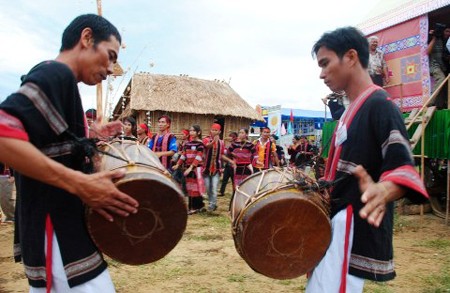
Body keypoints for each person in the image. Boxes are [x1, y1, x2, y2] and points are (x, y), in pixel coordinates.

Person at [0, 14, 139, 292]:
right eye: (110, 56)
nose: (111, 68)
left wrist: (89, 138)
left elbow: (49, 145)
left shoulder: (62, 82)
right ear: (86, 39)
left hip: (59, 230)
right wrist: (80, 183)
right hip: (57, 233)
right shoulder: (56, 73)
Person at [308, 26, 428, 292]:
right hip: (337, 224)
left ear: (350, 57)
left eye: (326, 63)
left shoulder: (380, 105)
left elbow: (403, 166)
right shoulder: (350, 110)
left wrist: (384, 189)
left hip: (351, 225)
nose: (321, 74)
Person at [173, 125, 205, 214]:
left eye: (193, 131)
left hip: (196, 169)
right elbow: (183, 155)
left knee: (195, 188)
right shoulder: (187, 144)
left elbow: (198, 157)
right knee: (190, 188)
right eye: (190, 131)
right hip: (188, 168)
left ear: (199, 132)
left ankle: (194, 207)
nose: (191, 132)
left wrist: (191, 168)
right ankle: (197, 206)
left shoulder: (200, 144)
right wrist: (178, 164)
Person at [202, 123, 235, 211]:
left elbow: (221, 155)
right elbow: (207, 146)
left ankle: (212, 204)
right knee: (208, 188)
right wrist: (213, 142)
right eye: (212, 130)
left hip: (216, 169)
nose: (214, 132)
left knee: (214, 187)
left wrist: (230, 160)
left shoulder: (221, 142)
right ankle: (211, 202)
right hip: (206, 168)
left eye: (216, 130)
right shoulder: (205, 139)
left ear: (219, 132)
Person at [427, 23, 450, 109]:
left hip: (442, 66)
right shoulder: (433, 38)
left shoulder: (445, 42)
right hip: (434, 66)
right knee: (441, 78)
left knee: (444, 84)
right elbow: (427, 51)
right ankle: (430, 101)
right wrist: (434, 37)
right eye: (446, 31)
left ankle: (440, 105)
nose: (448, 34)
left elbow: (445, 55)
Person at [219, 131, 238, 197]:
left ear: (235, 137)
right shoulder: (228, 144)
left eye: (231, 136)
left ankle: (235, 193)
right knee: (224, 179)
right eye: (230, 136)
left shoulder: (236, 145)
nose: (230, 138)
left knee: (234, 180)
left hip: (234, 165)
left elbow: (236, 155)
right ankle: (221, 192)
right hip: (228, 164)